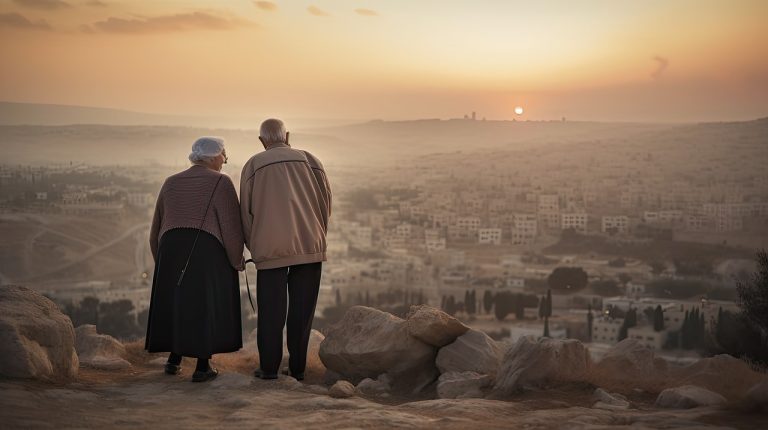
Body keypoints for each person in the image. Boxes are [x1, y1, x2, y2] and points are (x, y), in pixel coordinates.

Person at [145, 137, 245, 383]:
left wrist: (163, 264)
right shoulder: (221, 182)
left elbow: (155, 229)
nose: (226, 160)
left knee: (177, 302)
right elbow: (231, 229)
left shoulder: (170, 182)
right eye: (224, 155)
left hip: (169, 249)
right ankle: (202, 366)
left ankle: (173, 360)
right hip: (204, 250)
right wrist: (236, 260)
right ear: (213, 157)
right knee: (204, 304)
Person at [240, 118, 331, 381]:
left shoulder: (254, 164)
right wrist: (317, 234)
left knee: (271, 312)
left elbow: (245, 213)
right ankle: (298, 369)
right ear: (287, 135)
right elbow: (325, 203)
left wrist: (252, 245)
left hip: (270, 250)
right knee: (302, 312)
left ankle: (268, 369)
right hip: (309, 245)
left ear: (262, 141)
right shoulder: (311, 161)